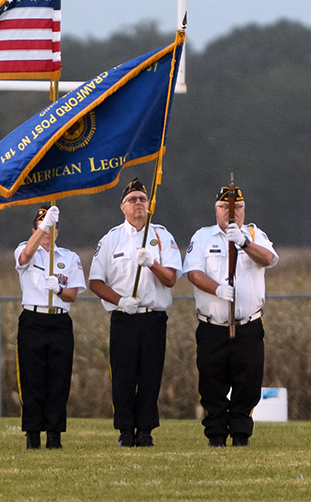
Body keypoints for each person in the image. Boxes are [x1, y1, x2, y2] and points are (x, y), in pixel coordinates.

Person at [182, 183, 278, 448]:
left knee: (248, 381)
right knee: (211, 381)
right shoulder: (203, 237)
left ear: (244, 210)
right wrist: (216, 289)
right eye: (224, 207)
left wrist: (244, 243)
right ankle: (215, 434)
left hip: (248, 325)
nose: (231, 212)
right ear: (216, 210)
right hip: (213, 325)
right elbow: (192, 273)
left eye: (238, 207)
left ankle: (240, 433)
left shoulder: (254, 234)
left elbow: (269, 259)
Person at [88, 178, 182, 447]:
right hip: (124, 317)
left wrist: (152, 264)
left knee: (151, 376)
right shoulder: (111, 239)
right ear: (123, 207)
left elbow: (171, 279)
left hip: (153, 317)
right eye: (132, 200)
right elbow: (95, 282)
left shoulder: (161, 236)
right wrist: (119, 301)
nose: (138, 203)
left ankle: (146, 432)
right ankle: (126, 432)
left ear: (149, 204)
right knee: (123, 377)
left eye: (142, 198)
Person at [15, 205, 86, 450]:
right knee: (31, 378)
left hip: (59, 321)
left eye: (52, 228)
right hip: (33, 320)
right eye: (43, 228)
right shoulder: (25, 249)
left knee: (59, 379)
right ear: (34, 230)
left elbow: (72, 295)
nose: (47, 232)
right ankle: (32, 434)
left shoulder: (69, 257)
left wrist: (58, 289)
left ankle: (54, 435)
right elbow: (24, 257)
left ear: (58, 231)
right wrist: (44, 225)